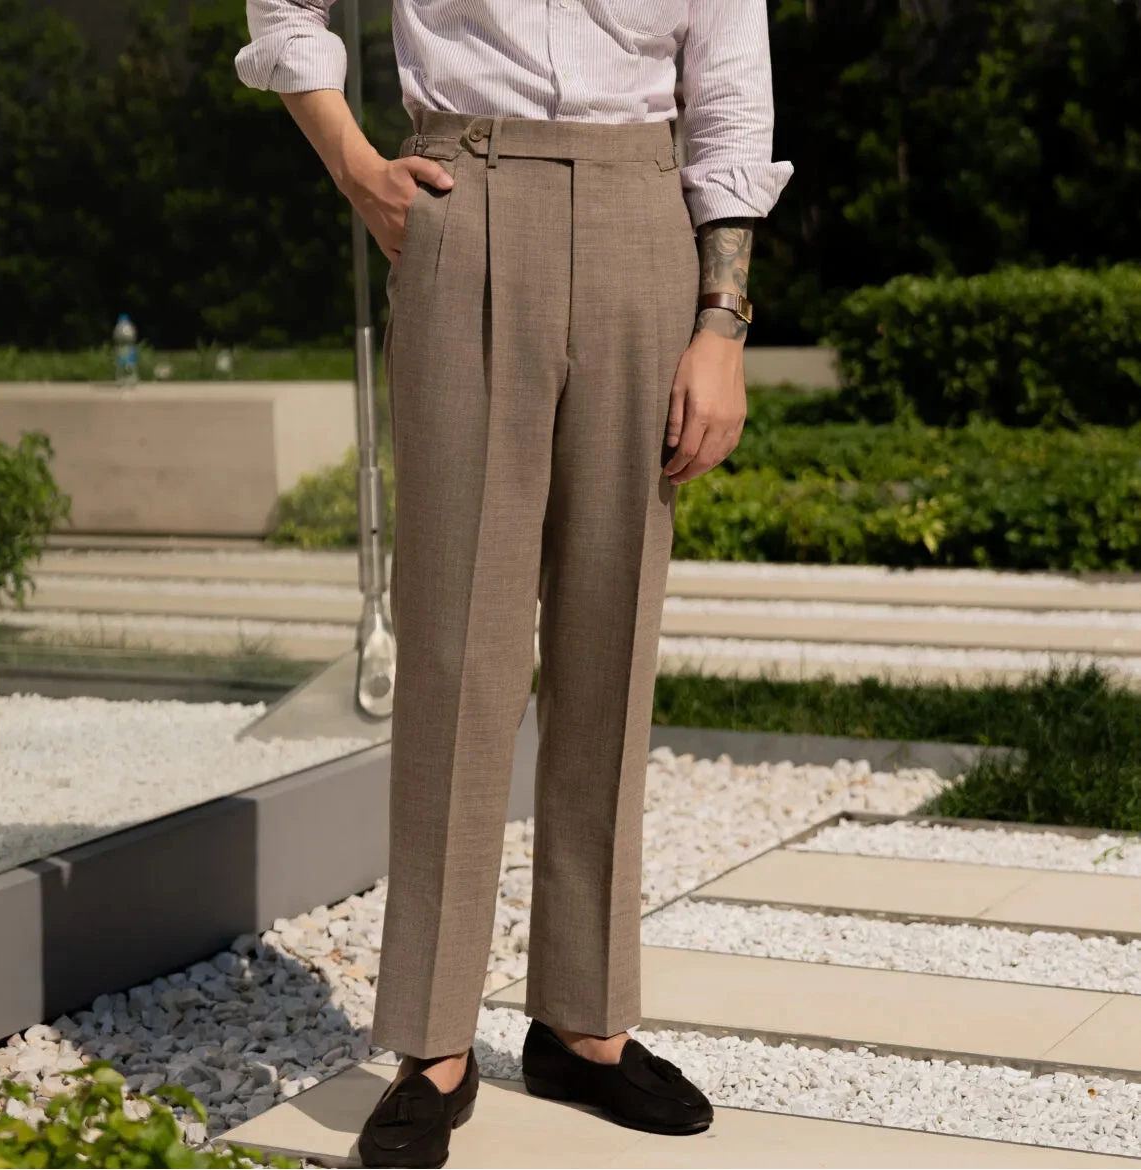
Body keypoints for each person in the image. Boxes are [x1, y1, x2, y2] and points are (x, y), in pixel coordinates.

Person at [236, 2, 791, 1165]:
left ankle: (583, 1025)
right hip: (462, 199)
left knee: (611, 632)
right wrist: (354, 166)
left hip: (649, 215)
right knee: (455, 650)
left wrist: (722, 322)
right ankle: (433, 1045)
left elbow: (730, 91)